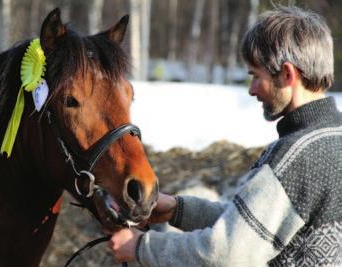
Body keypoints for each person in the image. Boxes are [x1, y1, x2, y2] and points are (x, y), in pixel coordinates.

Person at [108, 5, 341, 266]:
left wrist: (139, 246)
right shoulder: (334, 139)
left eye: (256, 76)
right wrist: (177, 209)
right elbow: (252, 228)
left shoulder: (294, 159)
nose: (252, 90)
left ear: (287, 74)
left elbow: (227, 254)